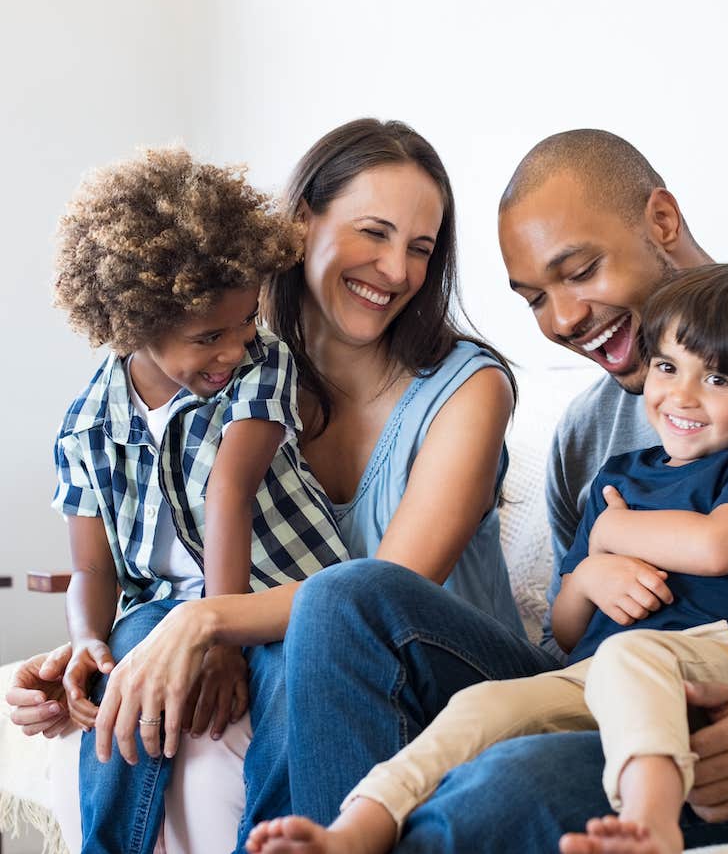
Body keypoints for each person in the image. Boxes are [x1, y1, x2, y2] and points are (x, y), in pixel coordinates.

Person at [251, 130, 728, 851]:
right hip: (604, 692)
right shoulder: (587, 434)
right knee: (342, 597)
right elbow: (571, 638)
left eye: (581, 270)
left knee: (504, 785)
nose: (563, 320)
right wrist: (591, 572)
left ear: (661, 222)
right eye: (535, 297)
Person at [6, 119, 524, 852]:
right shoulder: (228, 366)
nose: (398, 269)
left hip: (443, 672)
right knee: (147, 662)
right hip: (307, 652)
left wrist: (207, 621)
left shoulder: (466, 390)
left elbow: (384, 592)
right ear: (301, 221)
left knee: (322, 625)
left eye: (420, 247)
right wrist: (93, 652)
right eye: (373, 232)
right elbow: (151, 549)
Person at [49, 145, 348, 854]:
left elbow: (229, 491)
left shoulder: (260, 364)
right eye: (208, 336)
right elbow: (94, 569)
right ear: (132, 324)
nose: (233, 347)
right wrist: (89, 639)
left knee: (290, 688)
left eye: (245, 321)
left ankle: (273, 842)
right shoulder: (86, 425)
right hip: (161, 607)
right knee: (126, 670)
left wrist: (219, 633)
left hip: (282, 592)